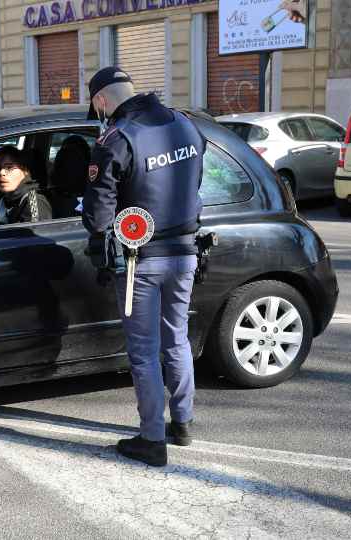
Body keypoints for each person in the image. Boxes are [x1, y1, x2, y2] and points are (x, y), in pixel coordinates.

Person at [82, 67, 205, 467]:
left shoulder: (117, 138)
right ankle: (183, 422)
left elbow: (98, 219)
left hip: (141, 262)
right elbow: (196, 178)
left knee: (143, 352)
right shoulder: (183, 124)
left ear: (101, 101)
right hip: (186, 252)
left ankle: (152, 438)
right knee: (178, 338)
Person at [0, 145, 52, 224]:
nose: (1, 173)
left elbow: (37, 234)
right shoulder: (3, 199)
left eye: (9, 168)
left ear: (25, 171)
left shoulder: (34, 202)